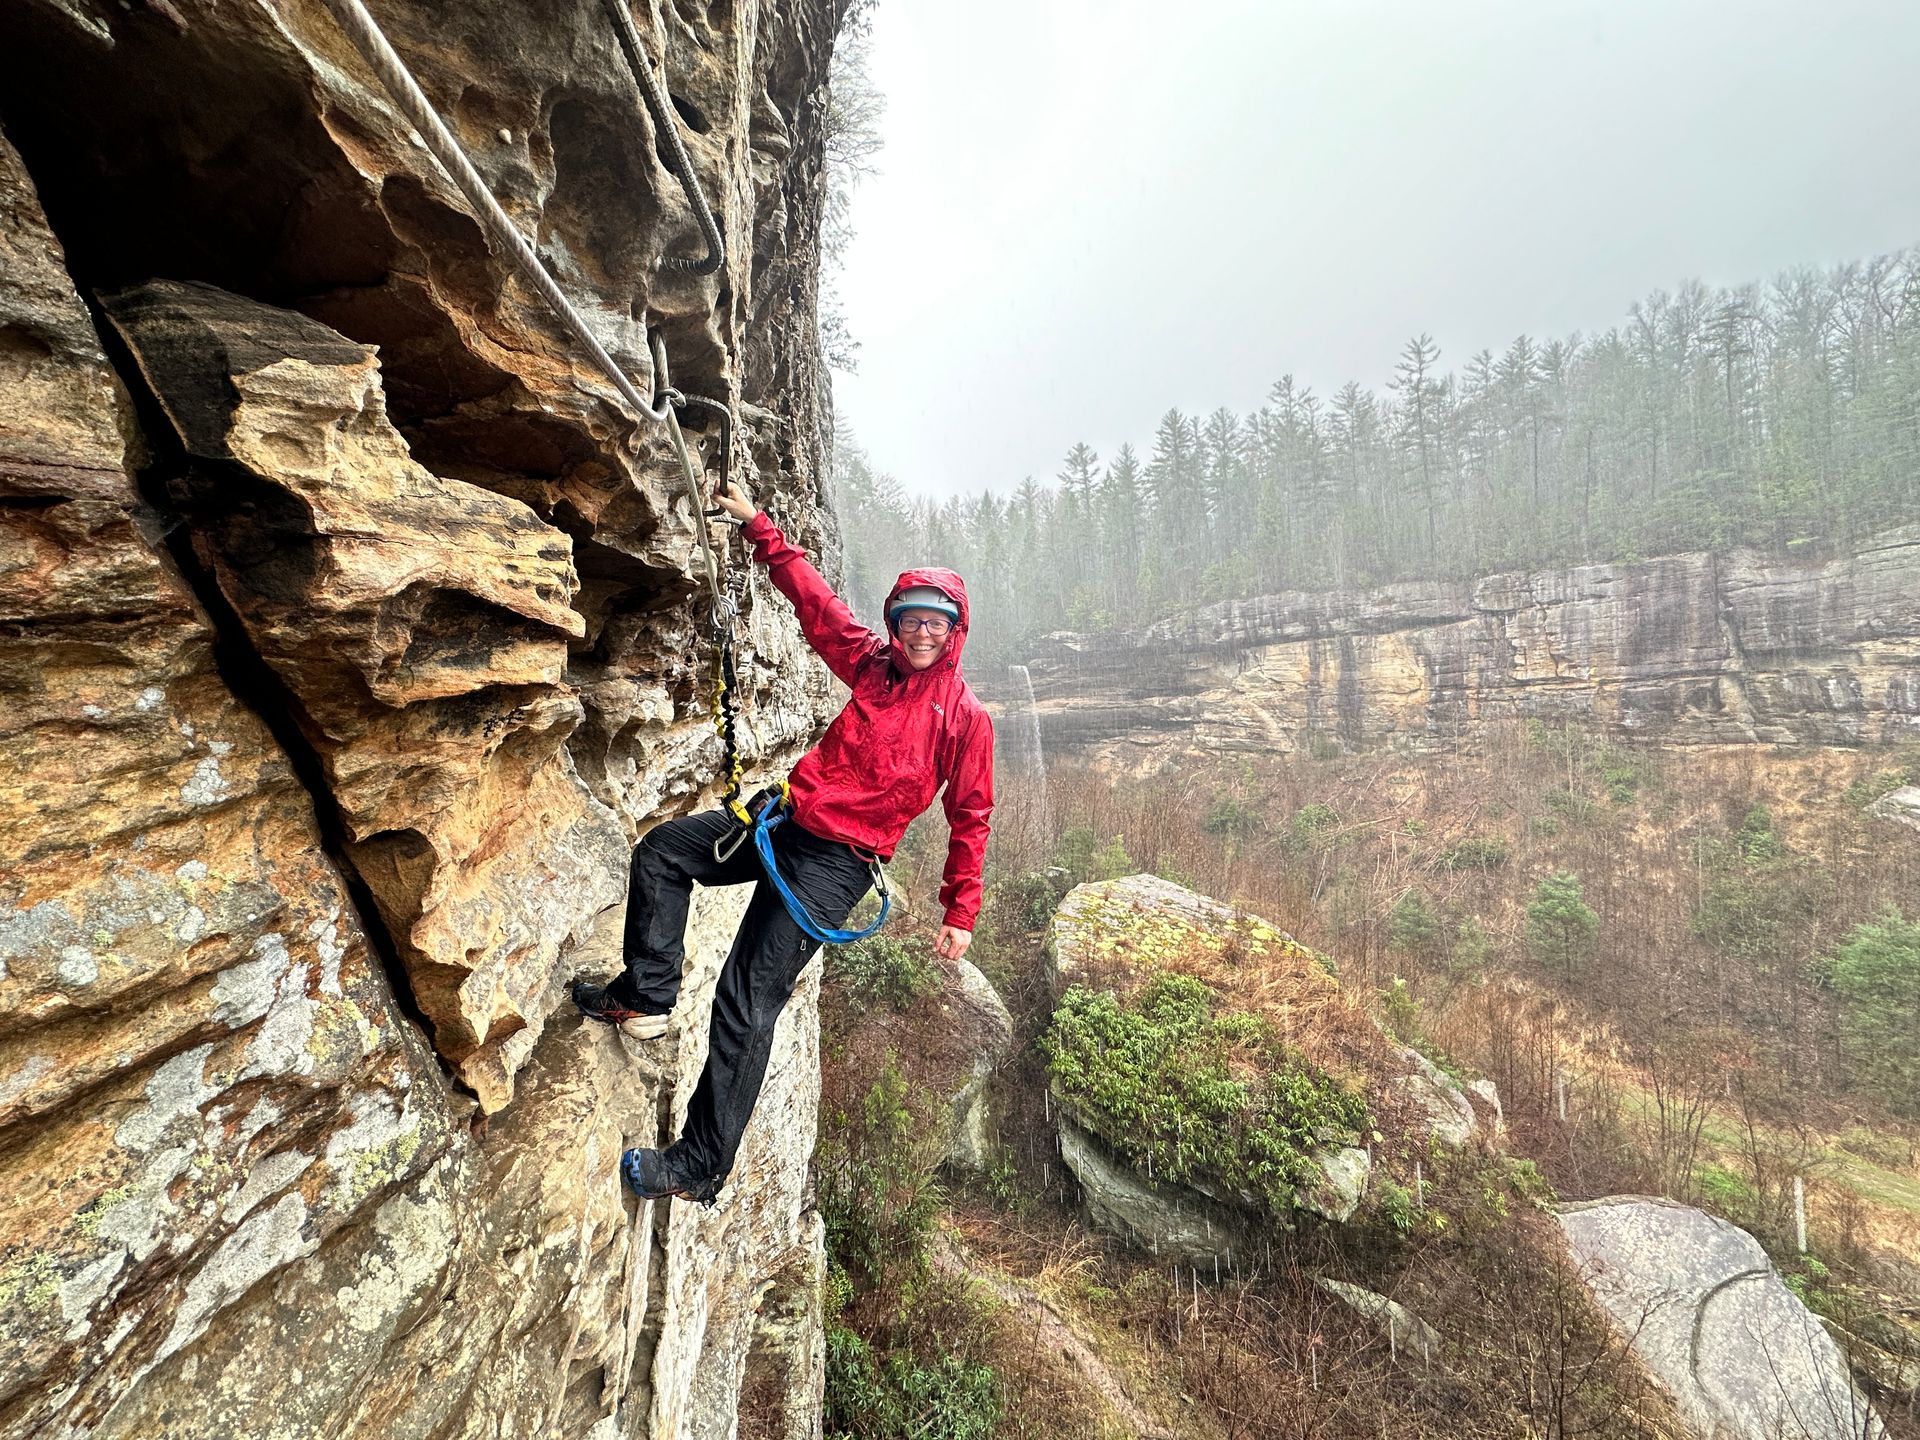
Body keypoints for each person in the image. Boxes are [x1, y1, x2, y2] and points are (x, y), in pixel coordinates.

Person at [572, 480, 995, 1203]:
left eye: (937, 622)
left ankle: (699, 1168)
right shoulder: (871, 666)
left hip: (836, 869)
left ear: (955, 631)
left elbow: (971, 816)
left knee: (744, 1000)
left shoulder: (964, 717)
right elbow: (815, 606)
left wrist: (960, 910)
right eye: (912, 619)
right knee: (665, 852)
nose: (923, 632)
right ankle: (645, 994)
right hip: (785, 825)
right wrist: (757, 526)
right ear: (897, 623)